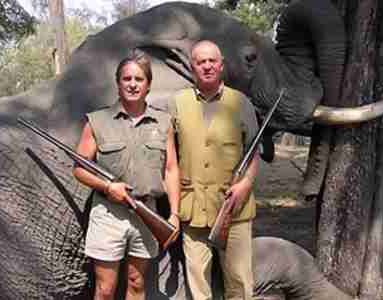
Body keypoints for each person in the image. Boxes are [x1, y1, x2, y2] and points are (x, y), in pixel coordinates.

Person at [73, 51, 180, 300]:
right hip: (109, 213)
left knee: (136, 283)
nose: (133, 84)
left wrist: (174, 213)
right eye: (127, 78)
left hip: (148, 212)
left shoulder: (163, 122)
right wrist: (108, 187)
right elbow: (78, 169)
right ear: (118, 83)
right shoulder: (97, 121)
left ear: (148, 84)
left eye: (139, 79)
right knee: (105, 289)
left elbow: (172, 169)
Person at [167, 40, 260, 300]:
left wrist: (246, 184)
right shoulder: (177, 103)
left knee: (239, 283)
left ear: (221, 65)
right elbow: (170, 159)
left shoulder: (241, 103)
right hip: (193, 207)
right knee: (198, 285)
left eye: (211, 61)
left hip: (234, 208)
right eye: (200, 62)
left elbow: (253, 153)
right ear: (192, 67)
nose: (207, 66)